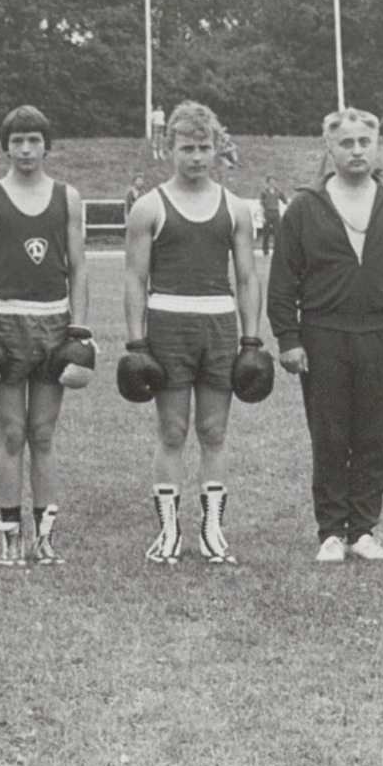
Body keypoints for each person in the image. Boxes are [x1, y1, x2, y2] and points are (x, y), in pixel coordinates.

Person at [269, 108, 383, 563]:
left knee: (374, 437)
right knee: (329, 435)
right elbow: (282, 281)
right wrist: (288, 339)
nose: (357, 151)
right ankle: (330, 532)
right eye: (347, 143)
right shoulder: (305, 206)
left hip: (382, 333)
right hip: (323, 335)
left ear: (376, 146)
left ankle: (363, 531)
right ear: (329, 148)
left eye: (365, 142)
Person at [123, 101, 263, 565]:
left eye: (204, 147)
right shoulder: (149, 206)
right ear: (170, 149)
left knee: (214, 430)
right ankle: (168, 531)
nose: (197, 157)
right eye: (187, 148)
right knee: (172, 430)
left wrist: (251, 340)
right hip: (168, 324)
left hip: (218, 325)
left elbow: (247, 277)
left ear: (218, 148)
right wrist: (136, 342)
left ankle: (212, 531)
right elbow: (135, 279)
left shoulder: (235, 207)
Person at [0, 106, 90, 566]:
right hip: (6, 322)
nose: (25, 149)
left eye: (33, 140)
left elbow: (79, 267)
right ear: (5, 146)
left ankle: (45, 536)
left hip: (54, 321)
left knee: (43, 432)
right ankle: (11, 535)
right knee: (12, 431)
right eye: (17, 140)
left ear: (46, 146)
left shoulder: (67, 197)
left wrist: (80, 329)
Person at [258, 176, 286, 256]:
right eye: (271, 182)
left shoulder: (279, 192)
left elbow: (285, 201)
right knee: (266, 233)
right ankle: (265, 251)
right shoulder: (264, 192)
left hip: (276, 213)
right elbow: (261, 204)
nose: (272, 183)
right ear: (268, 183)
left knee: (277, 233)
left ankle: (277, 251)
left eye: (274, 182)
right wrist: (262, 216)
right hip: (267, 212)